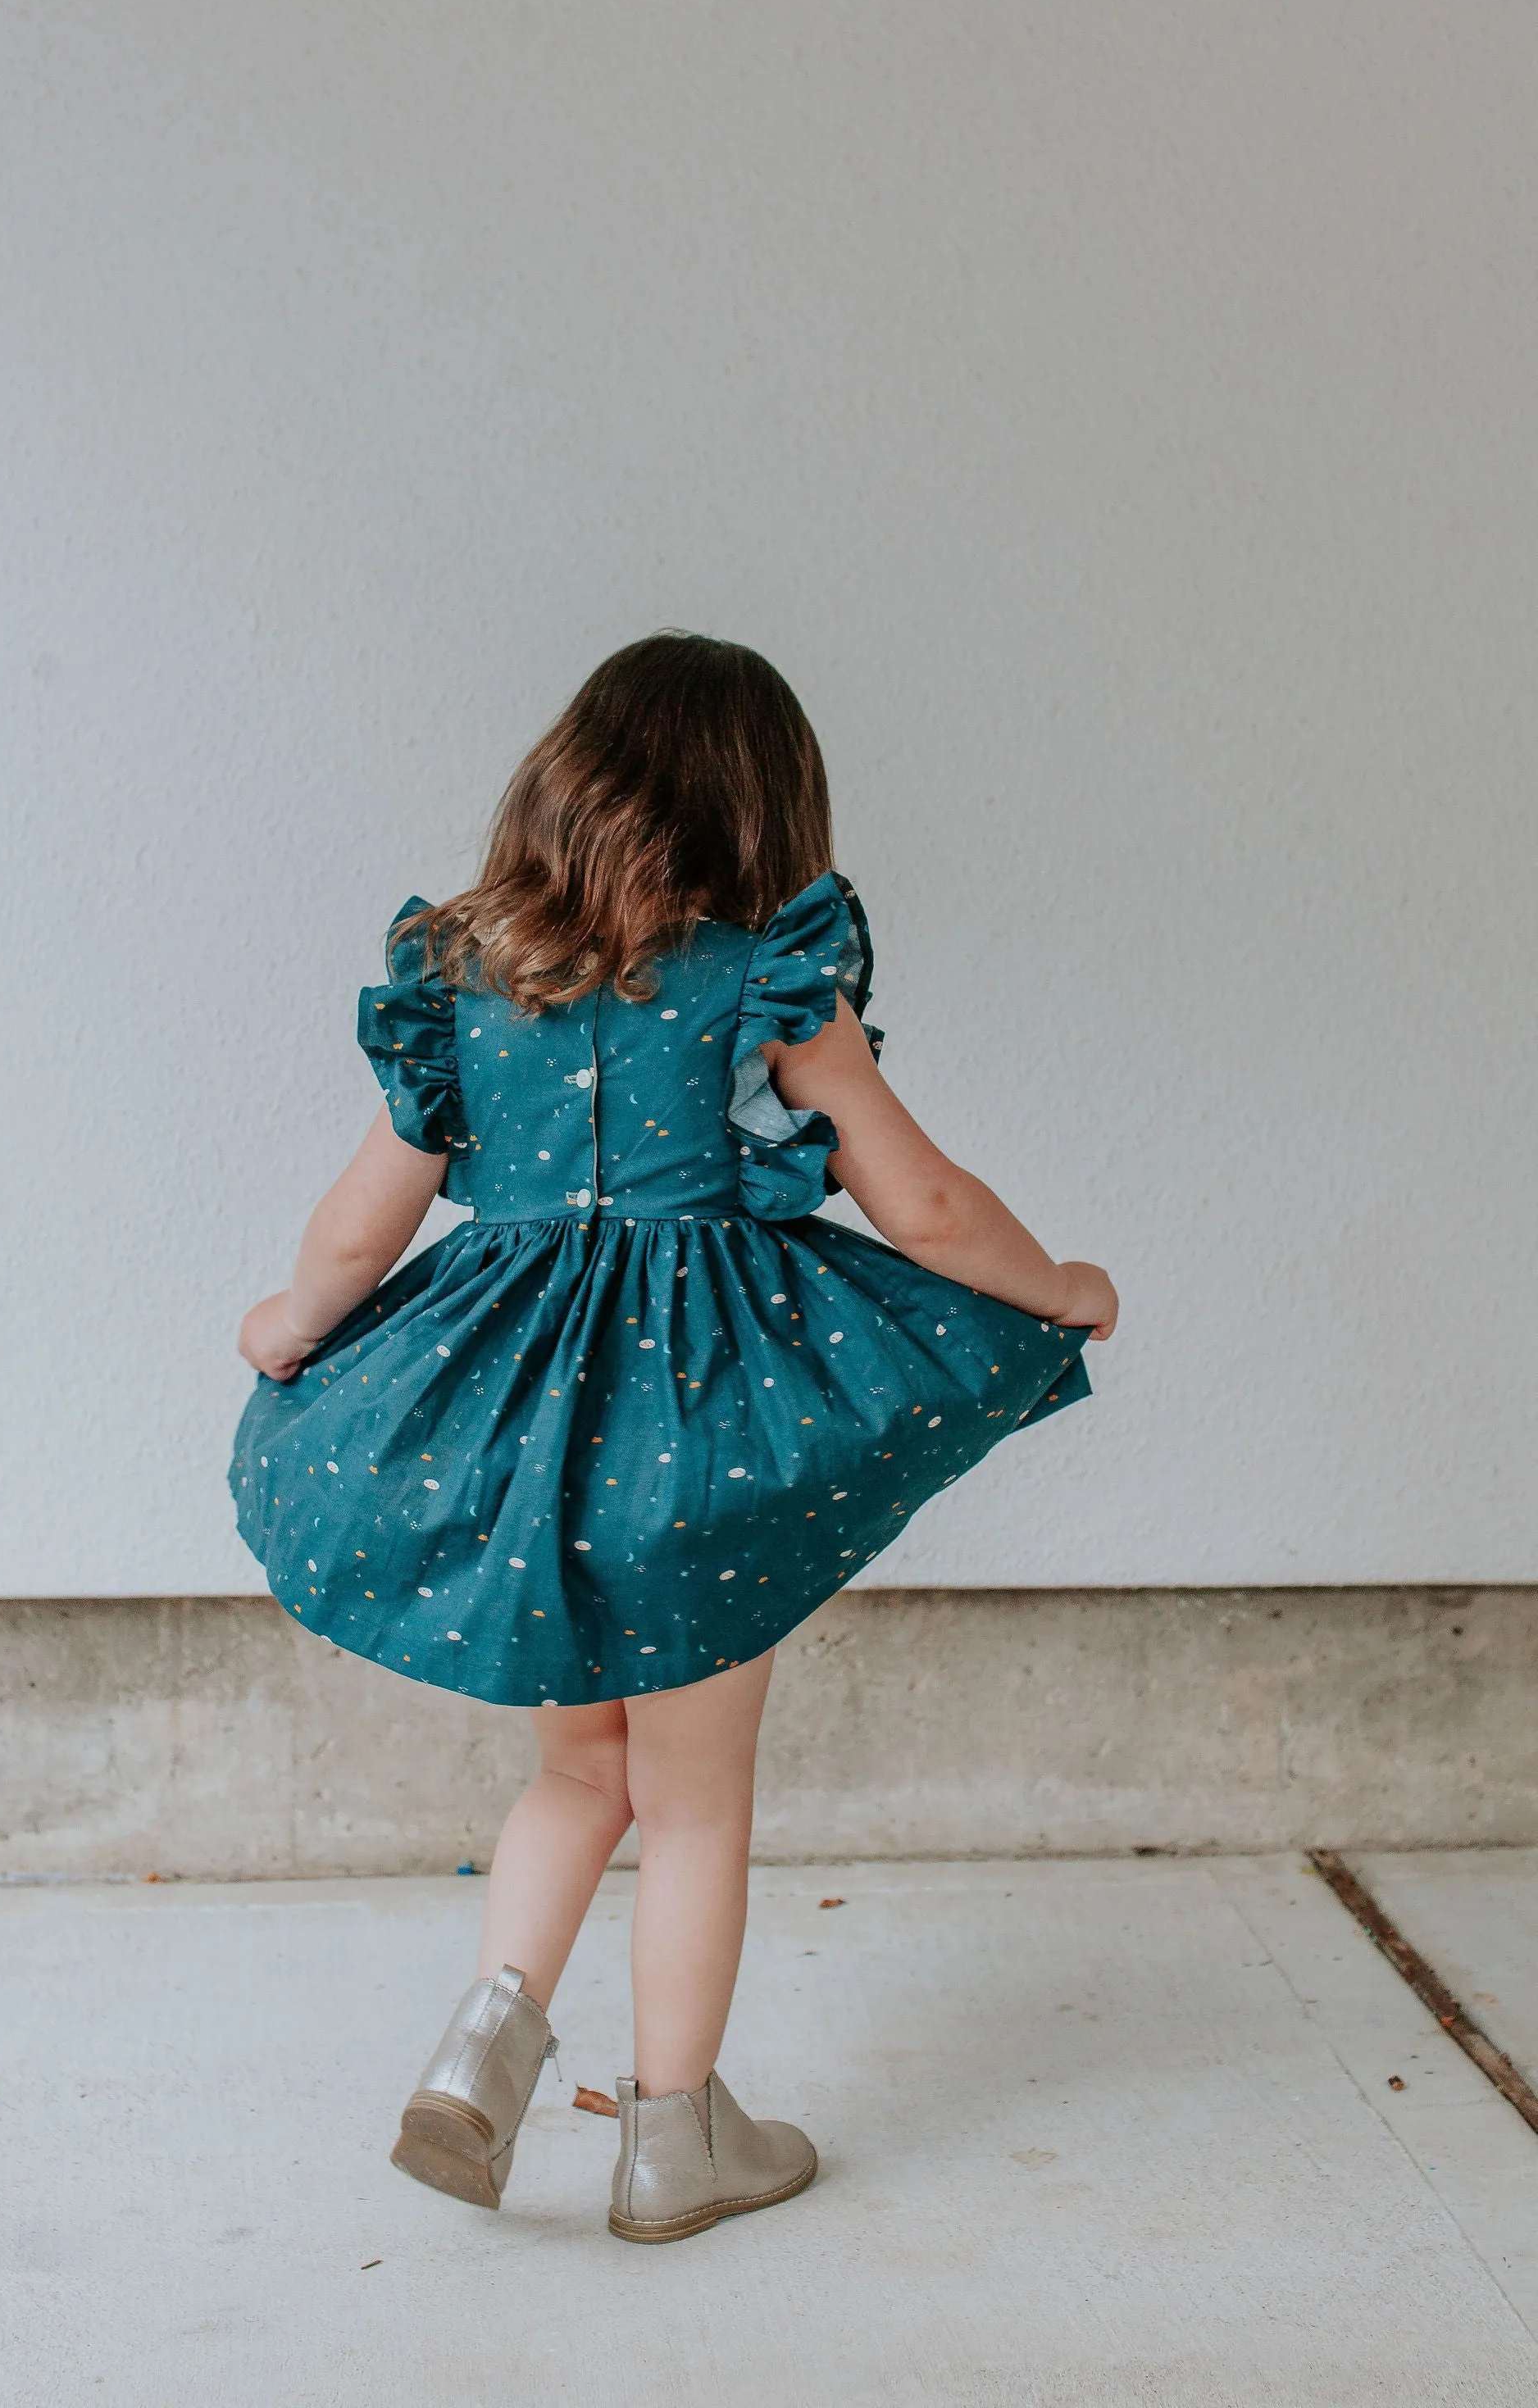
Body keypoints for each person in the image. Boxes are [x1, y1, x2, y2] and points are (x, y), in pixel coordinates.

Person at [230, 632, 1116, 2243]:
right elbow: (911, 1199)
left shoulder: (469, 978)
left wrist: (290, 1327)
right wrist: (1055, 1283)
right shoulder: (766, 978)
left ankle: (481, 2047)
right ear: (761, 807)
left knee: (579, 1771)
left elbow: (363, 1229)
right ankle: (671, 2137)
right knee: (695, 1798)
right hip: (697, 1437)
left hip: (526, 1447)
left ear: (569, 780)